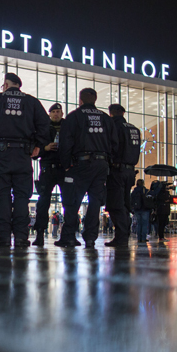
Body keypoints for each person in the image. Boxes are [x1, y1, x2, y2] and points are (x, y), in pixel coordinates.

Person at [0, 73, 51, 247]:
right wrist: (38, 145)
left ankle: (2, 237)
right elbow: (45, 124)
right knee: (22, 197)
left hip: (1, 154)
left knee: (1, 194)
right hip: (23, 155)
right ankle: (20, 237)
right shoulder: (31, 102)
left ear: (7, 84)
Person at [55, 88, 118, 248]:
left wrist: (66, 164)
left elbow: (65, 142)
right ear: (95, 100)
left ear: (80, 100)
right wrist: (107, 162)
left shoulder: (74, 117)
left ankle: (68, 236)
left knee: (73, 201)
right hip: (101, 165)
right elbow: (114, 144)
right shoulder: (106, 119)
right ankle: (90, 238)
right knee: (95, 202)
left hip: (80, 164)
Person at [105, 104, 141, 247]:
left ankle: (121, 236)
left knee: (115, 204)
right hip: (130, 171)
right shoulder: (134, 129)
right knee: (125, 204)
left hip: (117, 169)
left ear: (111, 113)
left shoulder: (113, 126)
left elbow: (112, 147)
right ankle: (123, 235)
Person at [32, 103, 65, 246]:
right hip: (48, 168)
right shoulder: (43, 128)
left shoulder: (68, 127)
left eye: (58, 112)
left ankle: (68, 235)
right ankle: (40, 233)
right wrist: (45, 148)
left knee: (69, 202)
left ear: (62, 114)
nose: (56, 114)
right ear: (50, 114)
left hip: (64, 168)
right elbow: (33, 152)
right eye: (53, 112)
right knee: (43, 202)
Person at [131, 179, 150, 244]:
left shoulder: (134, 191)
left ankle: (139, 238)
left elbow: (131, 200)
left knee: (139, 224)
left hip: (136, 209)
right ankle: (143, 238)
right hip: (144, 209)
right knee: (144, 224)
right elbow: (152, 194)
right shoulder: (144, 190)